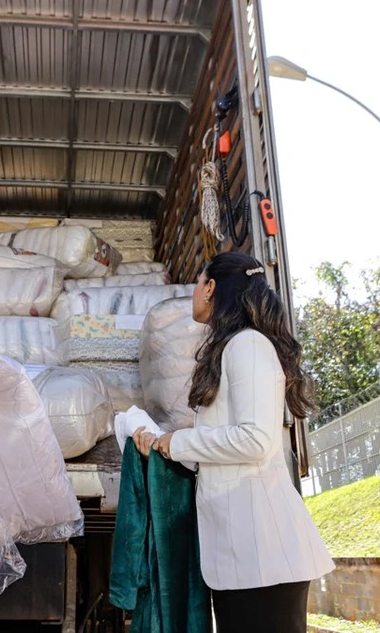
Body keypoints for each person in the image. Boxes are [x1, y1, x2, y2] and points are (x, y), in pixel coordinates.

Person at [132, 251, 335, 633]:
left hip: (266, 557)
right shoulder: (234, 348)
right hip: (243, 557)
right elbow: (224, 446)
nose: (195, 291)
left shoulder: (248, 345)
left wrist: (177, 442)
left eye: (197, 282)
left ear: (211, 288)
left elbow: (255, 440)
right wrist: (163, 446)